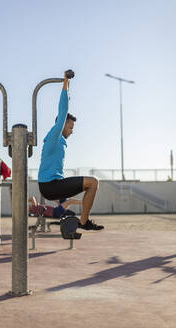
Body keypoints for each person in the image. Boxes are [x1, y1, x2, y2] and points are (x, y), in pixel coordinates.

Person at [38, 70, 104, 231]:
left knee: (91, 185)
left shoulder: (59, 141)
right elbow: (62, 111)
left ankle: (81, 221)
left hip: (55, 186)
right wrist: (66, 83)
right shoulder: (54, 134)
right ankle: (84, 222)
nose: (72, 131)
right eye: (70, 127)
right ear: (62, 125)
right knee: (93, 182)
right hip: (49, 185)